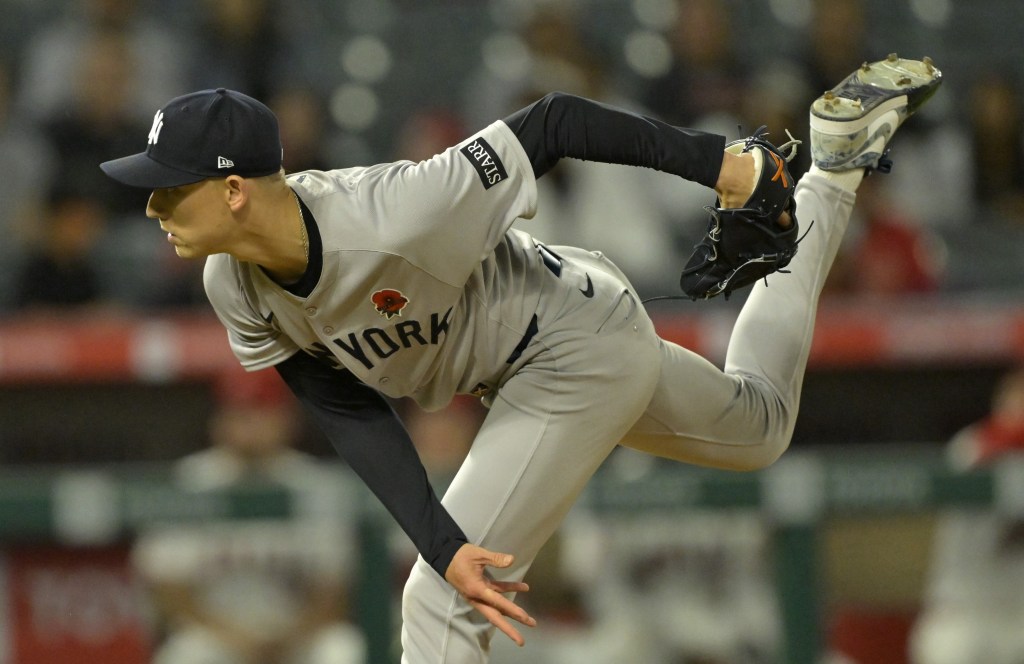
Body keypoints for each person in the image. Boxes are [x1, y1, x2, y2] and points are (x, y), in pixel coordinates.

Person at [100, 55, 941, 662]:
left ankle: (782, 171)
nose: (152, 206)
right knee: (759, 425)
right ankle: (832, 172)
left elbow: (555, 121)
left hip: (567, 346)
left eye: (170, 187)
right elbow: (344, 406)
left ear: (234, 190)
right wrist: (438, 538)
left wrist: (722, 165)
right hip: (554, 347)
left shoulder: (393, 213)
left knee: (438, 607)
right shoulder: (234, 282)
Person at [132, 364, 365, 664]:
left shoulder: (313, 484)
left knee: (342, 650)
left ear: (287, 419)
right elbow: (168, 589)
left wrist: (290, 639)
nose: (250, 425)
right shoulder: (189, 483)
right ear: (218, 420)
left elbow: (334, 590)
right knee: (186, 655)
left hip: (296, 636)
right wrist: (234, 639)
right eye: (239, 413)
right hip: (217, 635)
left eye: (261, 412)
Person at [909, 366, 1024, 664]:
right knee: (948, 648)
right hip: (964, 612)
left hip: (1017, 616)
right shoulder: (971, 444)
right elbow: (994, 443)